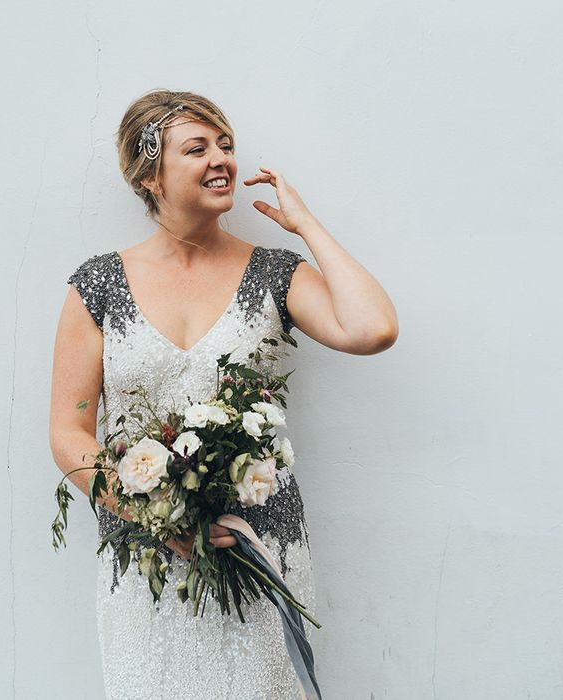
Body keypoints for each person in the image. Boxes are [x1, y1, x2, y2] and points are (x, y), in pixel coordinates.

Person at [49, 89, 399, 699]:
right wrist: (157, 518)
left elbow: (373, 330)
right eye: (198, 148)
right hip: (149, 563)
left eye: (227, 145)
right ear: (149, 172)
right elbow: (69, 433)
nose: (222, 159)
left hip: (260, 548)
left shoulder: (274, 272)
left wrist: (306, 225)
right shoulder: (98, 287)